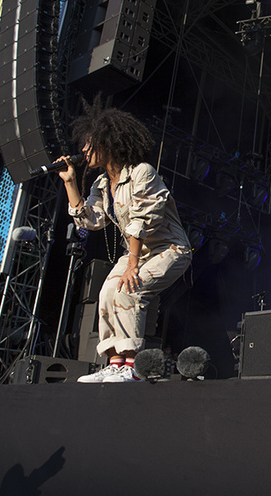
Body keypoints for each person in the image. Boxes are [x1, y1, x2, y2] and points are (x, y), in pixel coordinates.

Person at [57, 97, 192, 382]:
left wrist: (131, 264)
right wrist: (70, 182)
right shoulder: (102, 184)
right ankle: (115, 363)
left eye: (89, 144)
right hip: (138, 252)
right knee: (107, 293)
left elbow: (142, 221)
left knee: (130, 290)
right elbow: (91, 220)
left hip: (168, 249)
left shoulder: (142, 172)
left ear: (107, 144)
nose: (83, 150)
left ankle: (133, 368)